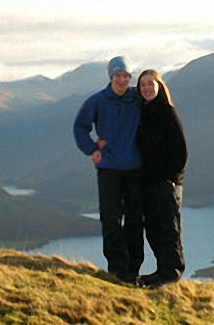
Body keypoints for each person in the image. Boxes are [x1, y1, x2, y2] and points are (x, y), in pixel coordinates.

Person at [73, 56, 143, 284]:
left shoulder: (137, 98)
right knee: (110, 219)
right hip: (109, 170)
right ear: (110, 77)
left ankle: (132, 271)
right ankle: (116, 271)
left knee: (134, 221)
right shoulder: (98, 101)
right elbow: (80, 127)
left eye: (126, 76)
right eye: (118, 75)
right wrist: (91, 149)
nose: (122, 80)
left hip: (135, 169)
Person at [136, 69, 187, 287]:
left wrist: (170, 179)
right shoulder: (142, 112)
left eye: (150, 84)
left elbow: (181, 153)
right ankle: (161, 271)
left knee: (169, 229)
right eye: (143, 85)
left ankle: (172, 274)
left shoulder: (168, 112)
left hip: (166, 184)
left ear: (159, 86)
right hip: (148, 183)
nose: (147, 88)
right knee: (153, 229)